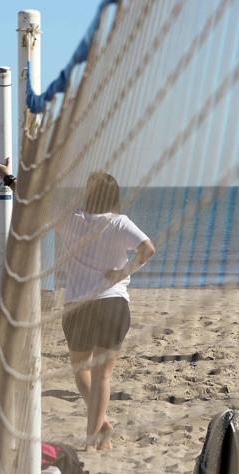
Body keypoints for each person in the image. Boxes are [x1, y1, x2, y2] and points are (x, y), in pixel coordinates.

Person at [55, 173, 156, 450]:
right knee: (103, 376)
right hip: (112, 303)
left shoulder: (70, 218)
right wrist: (123, 272)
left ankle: (95, 435)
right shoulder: (119, 222)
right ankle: (99, 428)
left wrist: (10, 180)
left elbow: (33, 203)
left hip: (76, 305)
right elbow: (148, 249)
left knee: (81, 371)